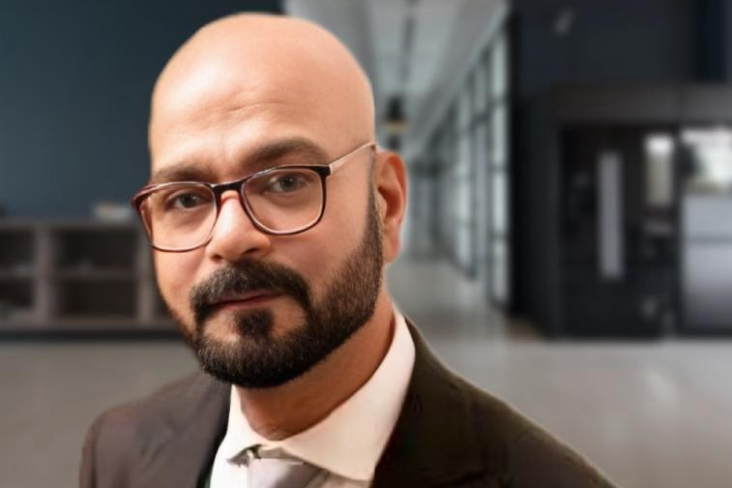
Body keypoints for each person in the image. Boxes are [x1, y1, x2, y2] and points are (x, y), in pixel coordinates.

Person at [80, 13, 617, 488]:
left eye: (286, 182)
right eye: (187, 198)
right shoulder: (118, 451)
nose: (229, 237)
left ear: (384, 204)